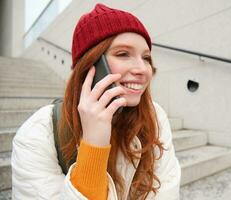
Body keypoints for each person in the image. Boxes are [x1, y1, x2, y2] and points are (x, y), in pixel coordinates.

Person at [11, 3, 181, 200]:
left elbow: (166, 192)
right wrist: (93, 144)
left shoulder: (155, 116)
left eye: (146, 58)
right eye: (123, 54)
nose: (142, 69)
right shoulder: (36, 134)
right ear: (90, 65)